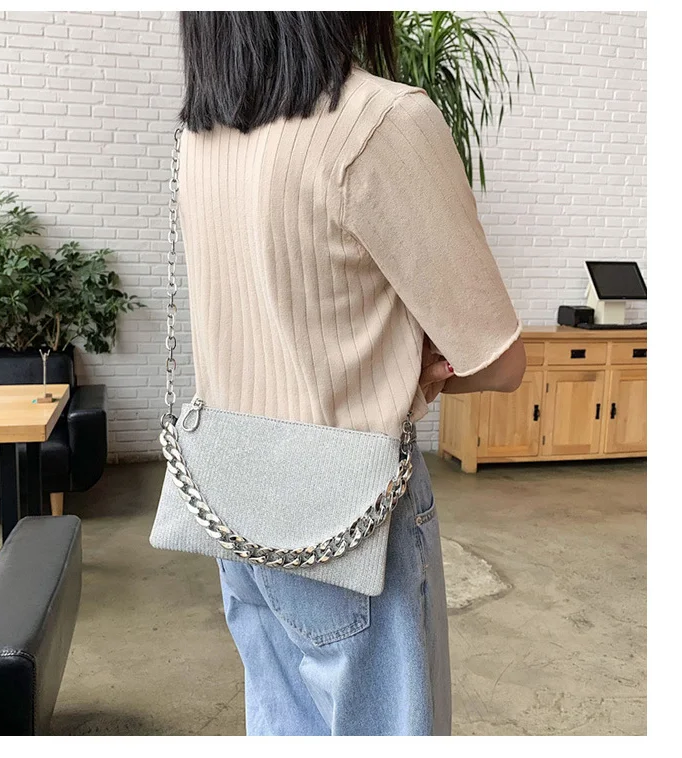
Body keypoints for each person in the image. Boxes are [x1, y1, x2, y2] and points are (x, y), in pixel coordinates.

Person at [174, 11, 526, 736]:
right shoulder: (383, 122)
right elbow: (500, 361)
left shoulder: (200, 136)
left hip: (233, 503)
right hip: (351, 517)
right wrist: (412, 366)